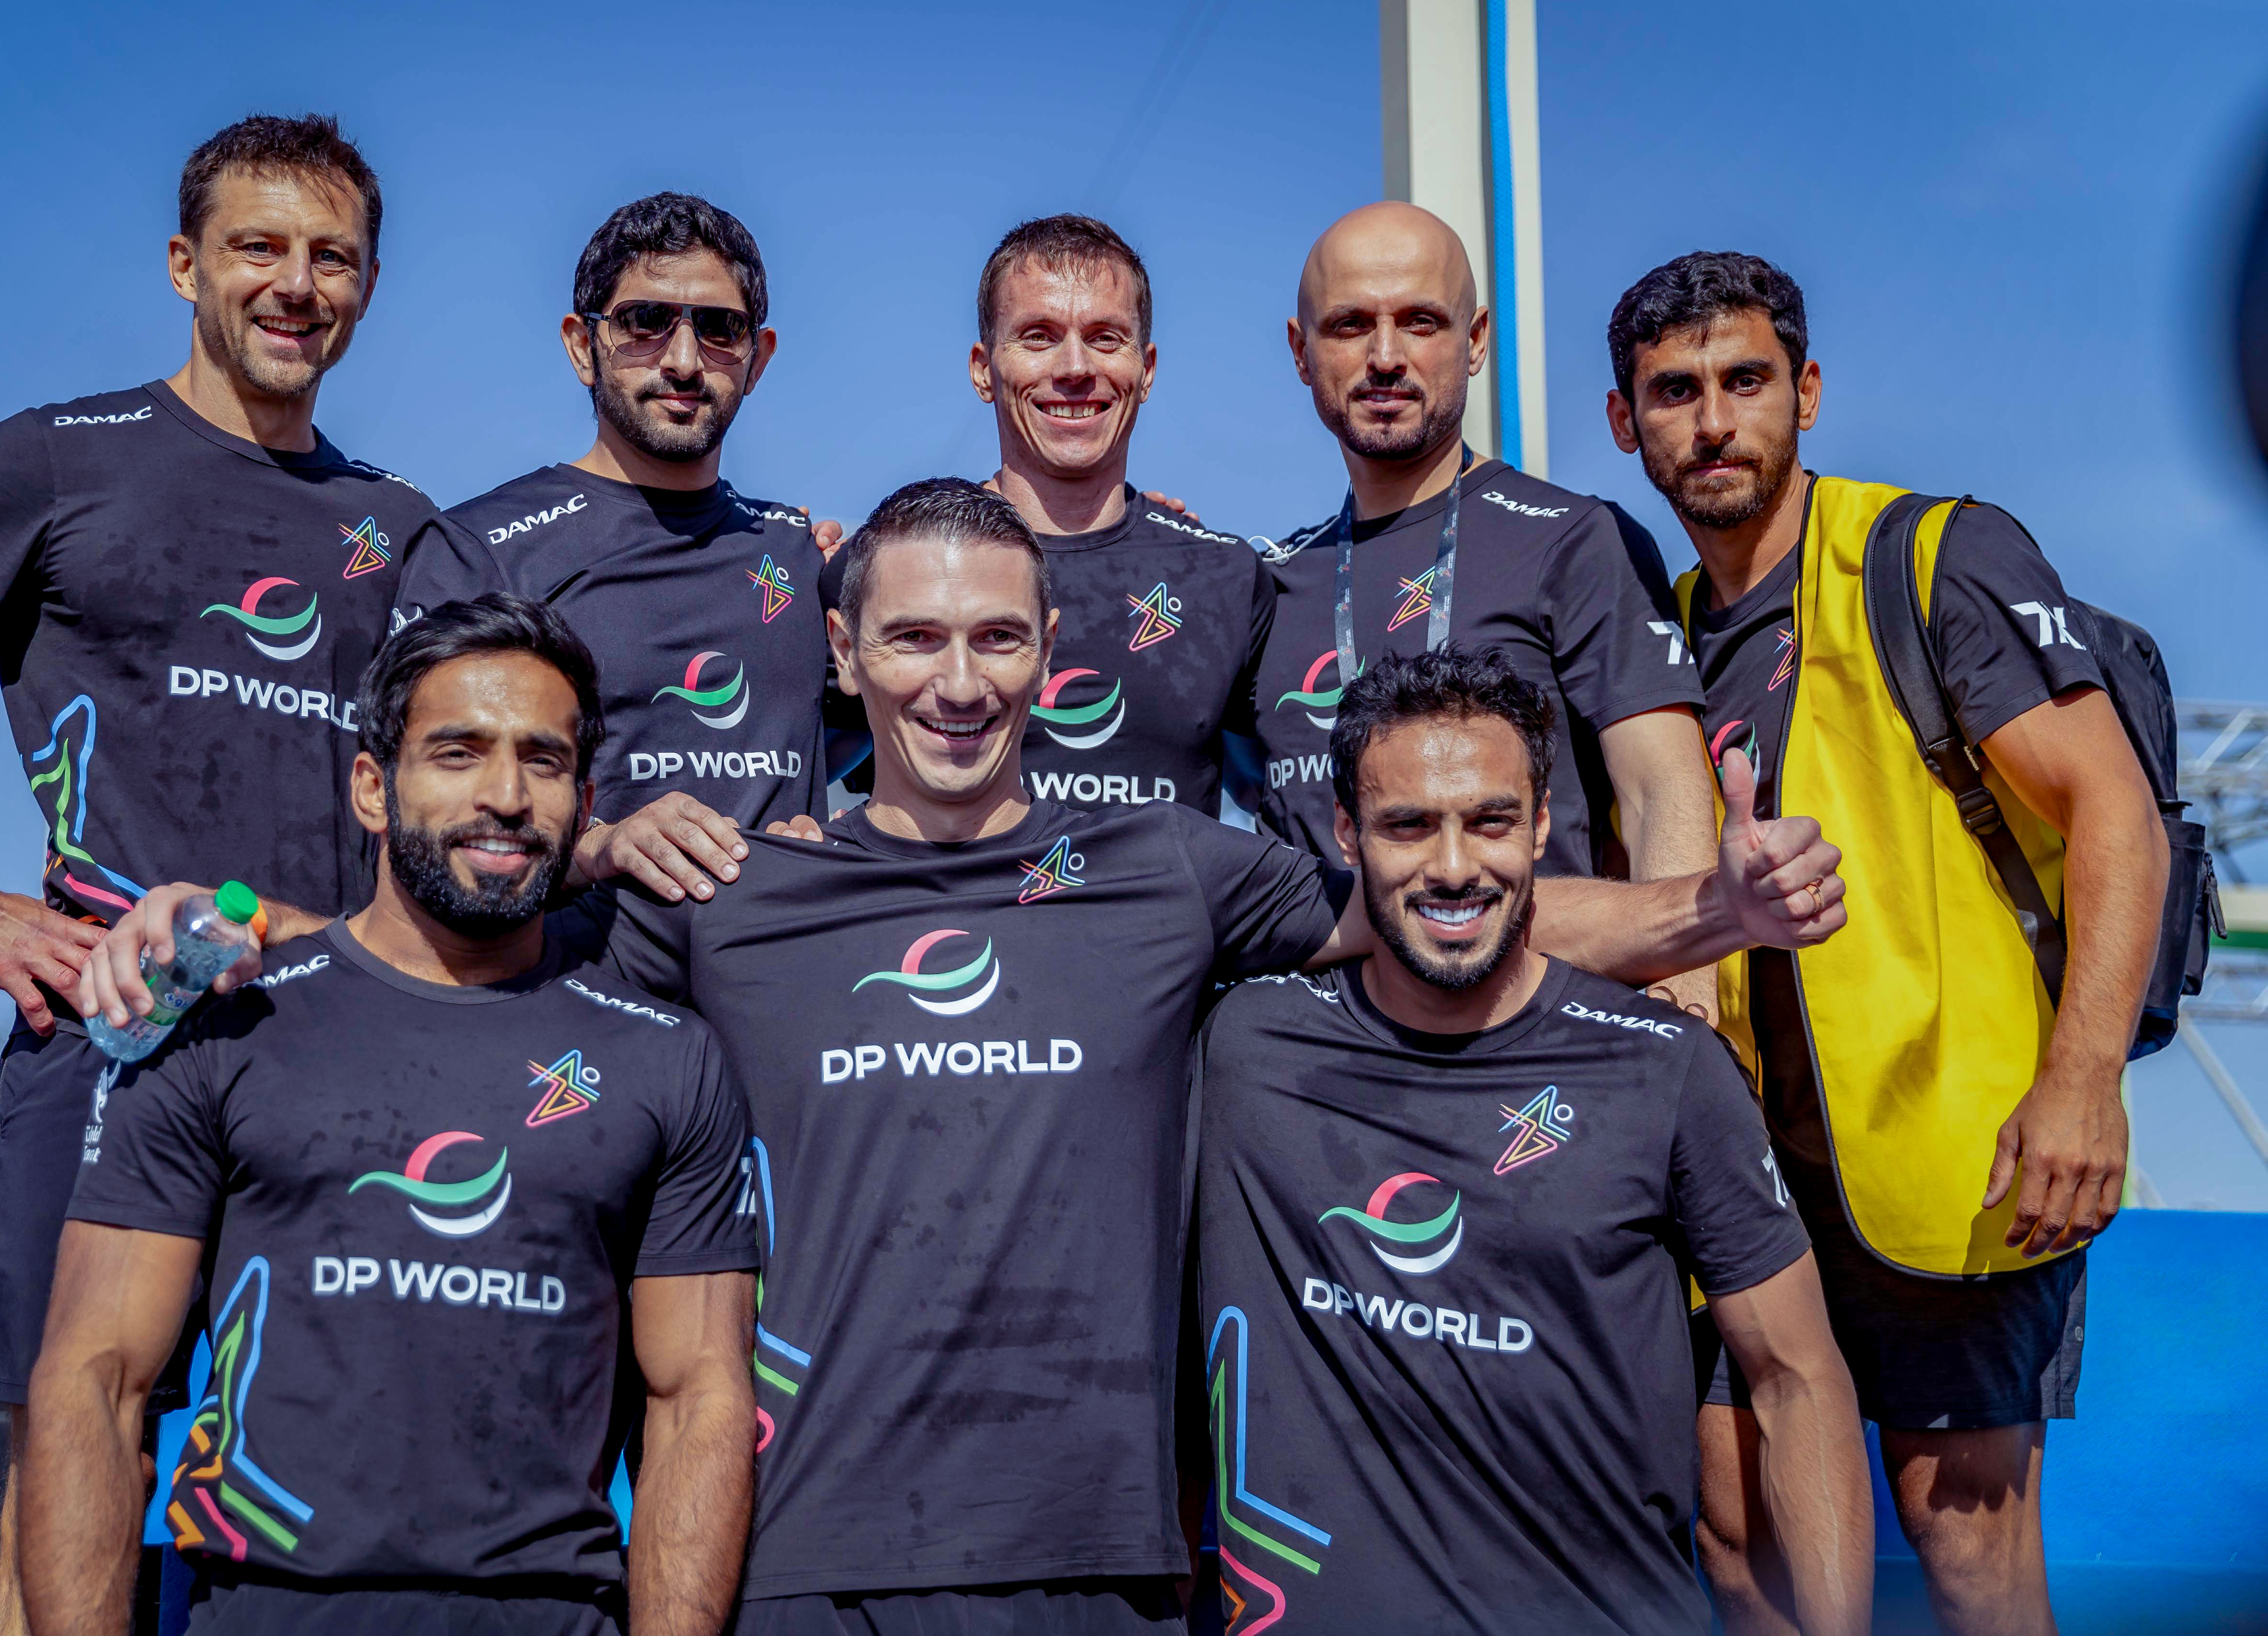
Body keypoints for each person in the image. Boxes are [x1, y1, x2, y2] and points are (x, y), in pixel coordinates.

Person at [560, 478, 1844, 1634]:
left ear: (1049, 647)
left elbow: (1444, 903)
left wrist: (1713, 909)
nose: (959, 682)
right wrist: (593, 846)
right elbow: (500, 1001)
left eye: (998, 637)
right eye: (914, 638)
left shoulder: (1164, 866)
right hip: (808, 1560)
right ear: (843, 651)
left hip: (1101, 1566)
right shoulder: (730, 891)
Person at [0, 114, 433, 1633]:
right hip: (110, 1038)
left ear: (369, 286)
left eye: (332, 257)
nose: (297, 282)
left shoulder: (404, 528)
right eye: (259, 246)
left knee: (328, 1483)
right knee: (76, 1469)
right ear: (187, 264)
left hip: (330, 1053)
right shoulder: (56, 458)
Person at [1603, 250, 2167, 1636]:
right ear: (1624, 422)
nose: (1713, 422)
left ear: (1804, 391)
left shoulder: (1928, 557)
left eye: (1745, 381)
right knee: (1735, 1531)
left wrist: (2083, 1079)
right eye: (1673, 392)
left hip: (1953, 1147)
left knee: (1961, 1539)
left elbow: (2115, 810)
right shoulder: (1657, 638)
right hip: (1739, 1166)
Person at [23, 596, 758, 1636]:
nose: (505, 795)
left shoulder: (665, 1058)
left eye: (543, 761)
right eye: (458, 752)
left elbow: (698, 1405)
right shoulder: (224, 1025)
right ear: (373, 787)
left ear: (584, 799)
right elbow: (94, 1384)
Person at [1191, 647, 1872, 1636]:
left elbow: (1797, 1379)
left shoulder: (1668, 1069)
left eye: (1491, 821)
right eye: (1408, 825)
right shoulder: (1244, 1048)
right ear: (1345, 833)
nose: (1453, 866)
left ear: (1542, 825)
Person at [1253, 203, 1716, 1010]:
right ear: (1301, 351)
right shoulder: (1264, 583)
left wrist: (1690, 1019)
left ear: (1473, 340)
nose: (1386, 357)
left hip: (1530, 1043)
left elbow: (1661, 791)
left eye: (1421, 322)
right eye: (1351, 325)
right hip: (1318, 1058)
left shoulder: (1574, 539)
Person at [395, 193, 828, 908]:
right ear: (581, 346)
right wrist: (597, 847)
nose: (684, 361)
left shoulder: (804, 557)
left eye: (720, 329)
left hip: (776, 972)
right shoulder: (479, 552)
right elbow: (414, 814)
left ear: (758, 358)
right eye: (644, 322)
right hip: (565, 970)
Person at [824, 214, 1271, 816]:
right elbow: (790, 777)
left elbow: (1291, 807)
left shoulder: (1226, 578)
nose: (1075, 369)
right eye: (1038, 336)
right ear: (983, 368)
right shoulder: (884, 568)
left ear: (1147, 370)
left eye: (1106, 338)